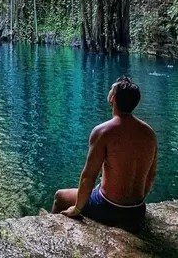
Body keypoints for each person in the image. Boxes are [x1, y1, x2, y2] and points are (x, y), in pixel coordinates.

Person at [52, 75, 157, 233]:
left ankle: (53, 232)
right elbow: (151, 175)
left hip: (109, 208)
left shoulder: (103, 131)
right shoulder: (149, 133)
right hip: (137, 211)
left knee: (60, 196)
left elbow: (88, 177)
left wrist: (77, 209)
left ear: (112, 98)